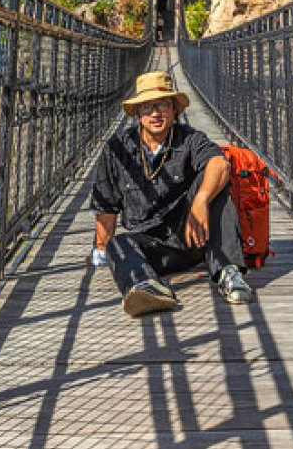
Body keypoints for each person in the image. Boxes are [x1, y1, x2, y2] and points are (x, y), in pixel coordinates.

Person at [90, 69, 253, 315]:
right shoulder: (116, 149)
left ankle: (228, 272)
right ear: (137, 113)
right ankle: (146, 289)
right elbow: (107, 204)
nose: (155, 113)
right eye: (147, 107)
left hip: (193, 238)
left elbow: (221, 164)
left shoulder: (189, 139)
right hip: (151, 249)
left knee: (214, 180)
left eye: (162, 105)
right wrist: (104, 250)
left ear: (174, 110)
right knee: (119, 244)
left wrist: (201, 199)